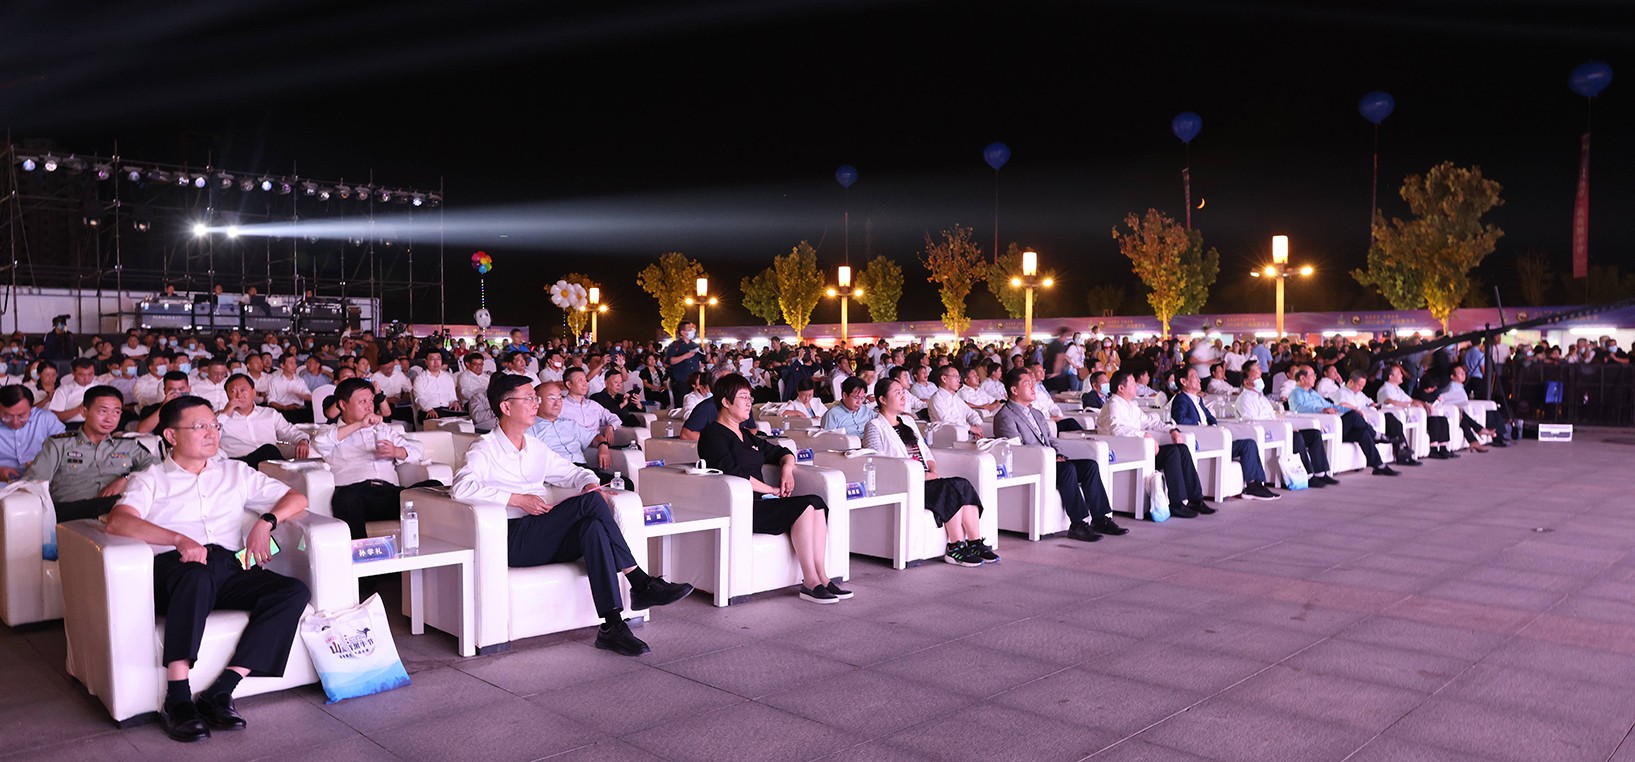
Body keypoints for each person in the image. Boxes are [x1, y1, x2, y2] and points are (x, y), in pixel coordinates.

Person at [104, 395, 311, 743]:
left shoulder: (235, 472)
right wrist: (178, 539)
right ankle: (177, 697)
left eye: (214, 425)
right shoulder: (150, 478)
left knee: (292, 591)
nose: (211, 433)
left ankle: (221, 690)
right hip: (174, 570)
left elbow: (297, 498)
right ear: (171, 435)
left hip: (228, 566)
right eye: (200, 426)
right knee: (195, 576)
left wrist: (266, 522)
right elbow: (118, 522)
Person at [453, 373, 693, 656]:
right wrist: (516, 499)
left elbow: (576, 472)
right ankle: (639, 581)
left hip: (541, 534)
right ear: (506, 407)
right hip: (510, 537)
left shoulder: (535, 448)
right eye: (529, 398)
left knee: (593, 527)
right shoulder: (484, 448)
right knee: (590, 504)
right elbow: (461, 487)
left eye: (535, 398)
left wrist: (590, 483)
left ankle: (612, 626)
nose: (535, 403)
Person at [698, 373, 848, 604]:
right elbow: (731, 472)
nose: (749, 402)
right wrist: (770, 489)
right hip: (740, 507)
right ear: (726, 402)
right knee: (806, 505)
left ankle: (823, 577)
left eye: (750, 397)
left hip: (763, 502)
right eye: (743, 397)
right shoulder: (712, 435)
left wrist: (787, 470)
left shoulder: (746, 435)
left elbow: (781, 452)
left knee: (817, 502)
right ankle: (810, 582)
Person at [865, 377, 996, 565]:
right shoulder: (874, 426)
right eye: (897, 393)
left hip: (927, 478)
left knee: (962, 484)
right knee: (949, 488)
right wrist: (919, 475)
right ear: (882, 399)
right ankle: (955, 547)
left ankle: (975, 542)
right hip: (905, 482)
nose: (903, 397)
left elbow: (925, 451)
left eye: (903, 392)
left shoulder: (908, 422)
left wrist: (932, 469)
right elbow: (876, 462)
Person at [993, 367, 1127, 541]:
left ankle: (1101, 518)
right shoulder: (1005, 416)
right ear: (1014, 390)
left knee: (1090, 466)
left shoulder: (1036, 413)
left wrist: (1058, 454)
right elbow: (1015, 449)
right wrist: (1050, 457)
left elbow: (1050, 439)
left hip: (1050, 459)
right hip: (1031, 464)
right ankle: (1078, 524)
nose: (1033, 387)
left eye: (1033, 383)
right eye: (1027, 384)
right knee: (1068, 469)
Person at [311, 378, 438, 539]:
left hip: (390, 494)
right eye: (362, 401)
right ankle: (360, 552)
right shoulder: (330, 431)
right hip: (356, 496)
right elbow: (319, 442)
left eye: (371, 400)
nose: (369, 406)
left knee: (434, 487)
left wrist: (396, 451)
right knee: (346, 496)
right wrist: (360, 424)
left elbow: (416, 451)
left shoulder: (383, 430)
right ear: (343, 405)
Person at [23, 385, 158, 520]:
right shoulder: (59, 445)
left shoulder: (127, 446)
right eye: (103, 411)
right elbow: (33, 484)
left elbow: (158, 469)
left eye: (116, 412)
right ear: (84, 412)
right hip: (72, 516)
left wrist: (125, 479)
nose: (109, 419)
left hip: (116, 513)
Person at [1097, 369, 1210, 518]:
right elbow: (1117, 429)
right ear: (1121, 388)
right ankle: (1176, 504)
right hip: (1125, 452)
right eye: (1132, 383)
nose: (1136, 386)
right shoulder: (1113, 405)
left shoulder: (1131, 405)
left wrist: (1172, 430)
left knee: (1181, 448)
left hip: (1140, 449)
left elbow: (1150, 422)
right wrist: (1144, 435)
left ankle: (1196, 499)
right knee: (1172, 453)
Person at [1169, 367, 1280, 500]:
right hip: (1201, 440)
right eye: (1194, 377)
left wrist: (1213, 426)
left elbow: (1210, 417)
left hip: (1213, 436)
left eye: (1198, 377)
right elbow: (1179, 420)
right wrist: (1201, 426)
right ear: (1183, 381)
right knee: (1247, 445)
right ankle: (1251, 486)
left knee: (1249, 444)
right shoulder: (1181, 399)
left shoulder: (1197, 400)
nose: (1199, 380)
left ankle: (1257, 483)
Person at [1234, 360, 1339, 487]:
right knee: (1296, 437)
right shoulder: (1245, 399)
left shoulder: (1261, 397)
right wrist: (1283, 428)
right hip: (1265, 432)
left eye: (1259, 377)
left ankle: (1321, 473)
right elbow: (1251, 422)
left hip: (1276, 428)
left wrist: (1286, 426)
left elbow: (1272, 417)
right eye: (1255, 378)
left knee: (1314, 434)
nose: (1259, 379)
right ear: (1246, 382)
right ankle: (1308, 475)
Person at [1288, 366, 1400, 476]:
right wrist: (1321, 410)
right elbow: (1298, 409)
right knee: (1353, 416)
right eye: (1312, 375)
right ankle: (1376, 435)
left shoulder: (1313, 393)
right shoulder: (1295, 394)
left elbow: (1332, 406)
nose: (1315, 377)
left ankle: (1379, 466)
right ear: (1302, 378)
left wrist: (1350, 409)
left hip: (1333, 425)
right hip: (1321, 426)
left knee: (1362, 432)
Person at [218, 374, 312, 468]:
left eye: (243, 390)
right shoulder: (220, 419)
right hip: (239, 465)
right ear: (227, 396)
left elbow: (289, 431)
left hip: (269, 462)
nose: (239, 395)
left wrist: (302, 441)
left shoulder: (270, 413)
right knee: (268, 450)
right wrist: (225, 414)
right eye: (233, 391)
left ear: (253, 392)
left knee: (308, 453)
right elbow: (212, 436)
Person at [0, 384, 66, 481]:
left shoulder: (46, 420)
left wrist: (44, 464)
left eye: (21, 415)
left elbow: (65, 450)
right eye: (8, 416)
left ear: (31, 408)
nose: (15, 421)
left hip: (42, 481)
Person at [928, 365, 984, 439]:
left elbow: (970, 413)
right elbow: (947, 421)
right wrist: (970, 428)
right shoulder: (937, 399)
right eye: (955, 377)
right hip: (949, 438)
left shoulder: (956, 397)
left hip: (966, 435)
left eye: (959, 377)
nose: (959, 380)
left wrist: (977, 425)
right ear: (944, 379)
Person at [49, 358, 99, 429]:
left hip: (97, 425)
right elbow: (55, 417)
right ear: (73, 373)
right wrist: (79, 409)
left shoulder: (100, 387)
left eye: (90, 374)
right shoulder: (63, 390)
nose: (86, 378)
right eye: (81, 375)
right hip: (72, 426)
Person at [411, 351, 461, 420]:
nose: (436, 362)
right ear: (426, 362)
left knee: (466, 416)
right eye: (432, 359)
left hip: (446, 410)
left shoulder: (448, 378)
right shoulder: (420, 379)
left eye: (438, 359)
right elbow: (419, 398)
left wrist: (455, 402)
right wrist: (429, 409)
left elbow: (452, 397)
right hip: (428, 411)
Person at [663, 321, 703, 407]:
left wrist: (708, 352)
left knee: (696, 405)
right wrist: (685, 356)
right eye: (689, 329)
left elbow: (704, 360)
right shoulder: (675, 346)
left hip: (695, 381)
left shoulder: (696, 345)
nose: (692, 331)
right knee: (682, 405)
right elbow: (669, 361)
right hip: (681, 381)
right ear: (683, 332)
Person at [265, 354, 313, 423]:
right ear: (282, 365)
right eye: (291, 363)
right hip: (282, 411)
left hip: (299, 411)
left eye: (295, 363)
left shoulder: (300, 380)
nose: (295, 366)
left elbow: (309, 397)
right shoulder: (274, 381)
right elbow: (271, 401)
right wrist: (285, 407)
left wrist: (302, 395)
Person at [457, 352, 496, 432]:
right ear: (468, 364)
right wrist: (480, 397)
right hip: (472, 403)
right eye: (475, 364)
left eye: (481, 364)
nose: (479, 367)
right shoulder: (464, 376)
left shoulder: (486, 377)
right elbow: (464, 392)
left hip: (488, 401)